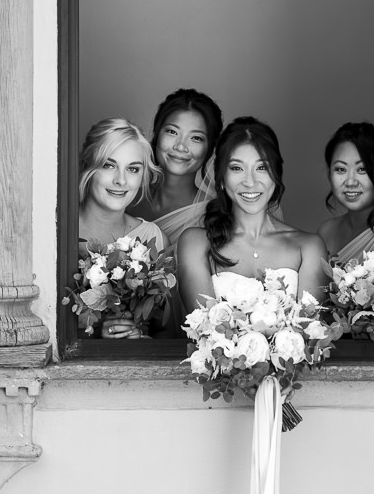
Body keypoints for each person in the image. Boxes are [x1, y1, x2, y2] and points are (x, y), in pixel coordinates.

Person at [178, 117, 328, 314]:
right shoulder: (195, 243)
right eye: (237, 168)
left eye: (262, 168)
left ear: (276, 175)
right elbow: (202, 330)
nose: (250, 182)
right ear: (221, 178)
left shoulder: (308, 247)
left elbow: (310, 329)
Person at [78, 118, 168, 338]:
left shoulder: (151, 238)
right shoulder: (54, 230)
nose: (121, 180)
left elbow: (164, 333)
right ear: (87, 167)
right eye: (108, 165)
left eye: (133, 169)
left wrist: (134, 335)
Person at [128, 88, 224, 246]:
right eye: (172, 132)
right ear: (157, 134)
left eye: (196, 138)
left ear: (210, 148)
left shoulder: (215, 215)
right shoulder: (126, 195)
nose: (181, 146)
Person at [316, 122, 374, 262]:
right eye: (341, 169)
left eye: (362, 169)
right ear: (329, 175)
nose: (350, 182)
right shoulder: (326, 230)